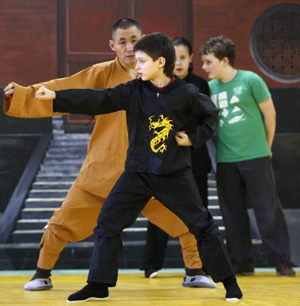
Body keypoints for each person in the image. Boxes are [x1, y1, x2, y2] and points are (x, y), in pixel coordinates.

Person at [36, 32, 243, 303]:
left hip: (173, 174)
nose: (137, 66)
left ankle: (229, 283)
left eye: (142, 61)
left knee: (202, 225)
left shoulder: (186, 92)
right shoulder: (133, 90)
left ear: (159, 62)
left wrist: (193, 137)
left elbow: (210, 115)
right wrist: (56, 97)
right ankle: (98, 284)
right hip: (136, 174)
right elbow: (98, 99)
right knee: (107, 225)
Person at [3, 18, 205, 291]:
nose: (130, 47)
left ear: (143, 39)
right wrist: (23, 95)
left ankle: (194, 271)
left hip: (152, 169)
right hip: (105, 168)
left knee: (186, 219)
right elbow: (65, 89)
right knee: (62, 222)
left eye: (134, 40)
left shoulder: (162, 77)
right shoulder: (102, 73)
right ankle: (41, 273)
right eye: (123, 42)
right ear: (113, 45)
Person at [199, 35, 296, 277]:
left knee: (267, 210)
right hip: (225, 160)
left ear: (223, 60)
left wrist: (267, 146)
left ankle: (281, 260)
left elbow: (270, 114)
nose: (204, 67)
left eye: (208, 62)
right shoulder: (209, 89)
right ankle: (241, 262)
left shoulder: (251, 80)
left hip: (256, 156)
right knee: (231, 212)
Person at [141, 37, 215, 288]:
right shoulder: (155, 85)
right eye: (176, 57)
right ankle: (152, 264)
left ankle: (200, 267)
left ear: (191, 58)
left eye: (184, 57)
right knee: (160, 212)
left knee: (199, 214)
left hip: (194, 160)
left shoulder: (199, 85)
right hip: (162, 161)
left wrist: (191, 138)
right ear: (166, 60)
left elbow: (207, 119)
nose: (180, 62)